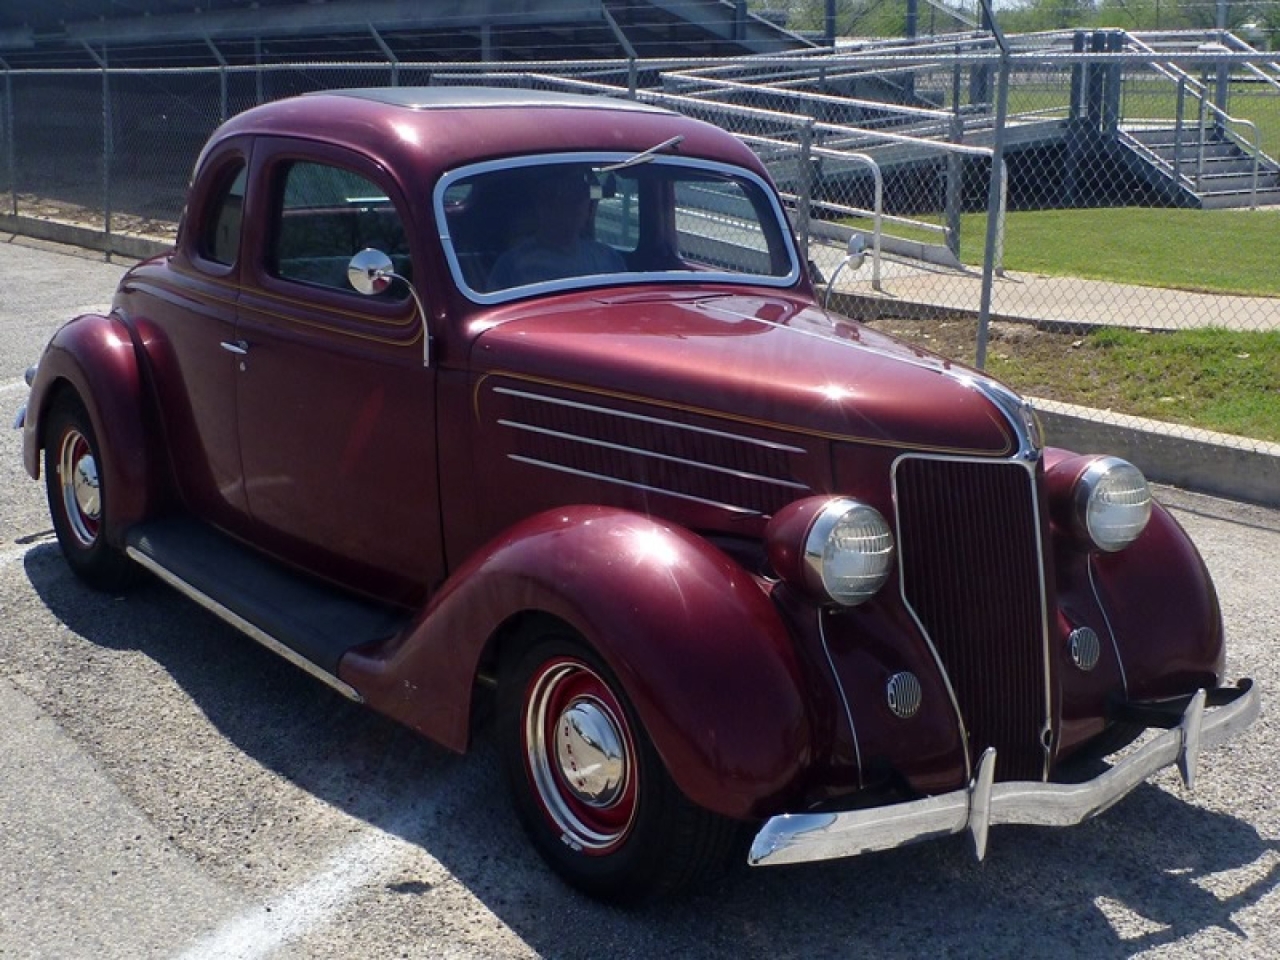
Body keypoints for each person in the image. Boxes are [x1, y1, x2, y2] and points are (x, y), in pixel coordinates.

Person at [487, 166, 626, 290]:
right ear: (542, 205)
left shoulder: (608, 258)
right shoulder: (514, 266)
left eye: (581, 193)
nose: (576, 205)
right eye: (565, 195)